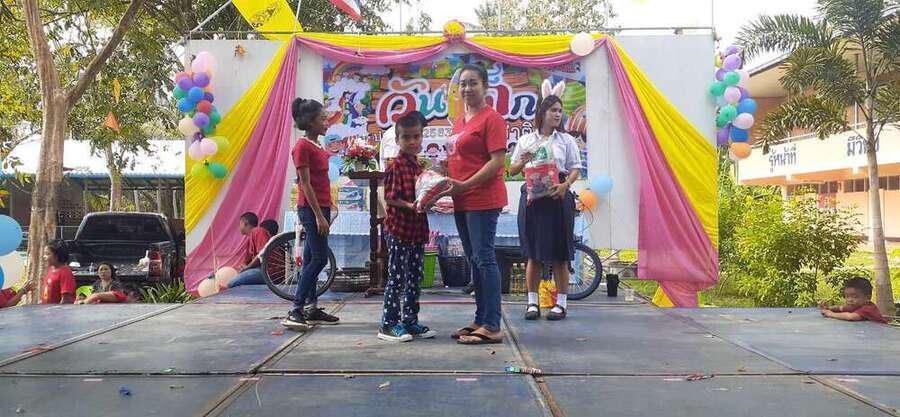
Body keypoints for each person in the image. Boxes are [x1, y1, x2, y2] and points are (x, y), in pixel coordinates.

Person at [444, 64, 509, 345]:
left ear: (485, 86)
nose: (467, 88)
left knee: (484, 258)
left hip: (483, 198)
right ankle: (480, 319)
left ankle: (492, 325)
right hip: (461, 199)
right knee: (474, 260)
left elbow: (497, 162)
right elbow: (457, 158)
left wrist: (466, 184)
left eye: (473, 83)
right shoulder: (460, 121)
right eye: (463, 83)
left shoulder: (492, 119)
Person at [508, 90, 582, 321]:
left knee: (560, 254)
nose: (557, 115)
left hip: (558, 197)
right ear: (542, 112)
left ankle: (561, 304)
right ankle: (532, 303)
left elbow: (575, 168)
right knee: (534, 253)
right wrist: (524, 159)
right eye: (553, 110)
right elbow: (512, 170)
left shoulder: (566, 140)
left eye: (560, 111)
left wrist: (565, 185)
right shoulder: (526, 140)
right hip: (532, 200)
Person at [378, 111, 438, 342]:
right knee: (396, 278)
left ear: (422, 137)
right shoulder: (395, 166)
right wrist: (411, 205)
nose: (412, 141)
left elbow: (423, 195)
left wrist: (431, 198)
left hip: (416, 230)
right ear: (397, 140)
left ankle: (410, 321)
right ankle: (388, 324)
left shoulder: (418, 166)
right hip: (399, 230)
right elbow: (390, 198)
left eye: (416, 136)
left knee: (415, 277)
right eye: (406, 137)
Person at [282, 97, 341, 330]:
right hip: (310, 208)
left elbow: (321, 181)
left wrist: (329, 206)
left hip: (322, 206)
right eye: (322, 119)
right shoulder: (302, 147)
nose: (327, 122)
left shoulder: (317, 145)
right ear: (309, 121)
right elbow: (305, 184)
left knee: (309, 259)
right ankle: (296, 309)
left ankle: (311, 308)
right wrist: (318, 215)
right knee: (319, 259)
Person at [227, 212, 272, 288]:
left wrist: (248, 267)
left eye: (240, 224)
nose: (239, 227)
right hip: (259, 270)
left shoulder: (258, 231)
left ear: (245, 223)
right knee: (235, 279)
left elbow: (263, 253)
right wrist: (243, 267)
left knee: (232, 283)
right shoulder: (249, 239)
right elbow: (246, 261)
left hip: (267, 271)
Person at [820, 278, 888, 324]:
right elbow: (841, 308)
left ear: (868, 298)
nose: (850, 300)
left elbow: (851, 317)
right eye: (847, 296)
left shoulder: (868, 308)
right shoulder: (856, 305)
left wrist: (831, 314)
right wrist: (828, 308)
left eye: (855, 297)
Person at [41, 239, 76, 304]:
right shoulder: (51, 269)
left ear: (57, 256)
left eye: (47, 254)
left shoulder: (65, 273)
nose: (44, 257)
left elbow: (66, 299)